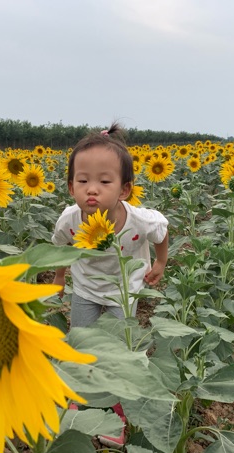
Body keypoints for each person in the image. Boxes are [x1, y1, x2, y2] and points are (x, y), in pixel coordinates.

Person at [51, 123, 169, 327]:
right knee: (82, 338)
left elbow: (161, 230)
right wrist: (59, 276)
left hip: (124, 288)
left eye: (104, 182)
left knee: (120, 344)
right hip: (86, 286)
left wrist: (160, 262)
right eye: (82, 181)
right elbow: (61, 247)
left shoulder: (139, 221)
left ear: (124, 190)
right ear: (71, 187)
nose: (92, 189)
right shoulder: (69, 220)